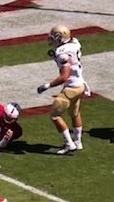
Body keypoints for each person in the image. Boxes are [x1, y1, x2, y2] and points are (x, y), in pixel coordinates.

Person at [37, 24, 89, 155]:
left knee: (55, 115)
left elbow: (64, 76)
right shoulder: (75, 42)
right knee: (75, 114)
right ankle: (78, 142)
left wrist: (47, 85)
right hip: (80, 84)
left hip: (71, 88)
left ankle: (69, 144)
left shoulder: (62, 53)